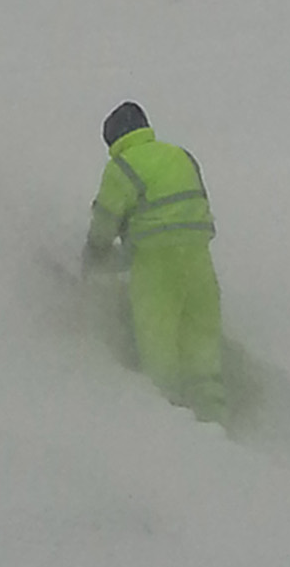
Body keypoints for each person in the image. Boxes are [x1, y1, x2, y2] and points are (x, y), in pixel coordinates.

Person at [84, 101, 227, 423]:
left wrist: (93, 256)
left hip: (156, 263)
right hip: (199, 258)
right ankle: (214, 416)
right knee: (200, 336)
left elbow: (105, 222)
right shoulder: (181, 155)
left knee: (158, 338)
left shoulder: (122, 167)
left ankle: (170, 419)